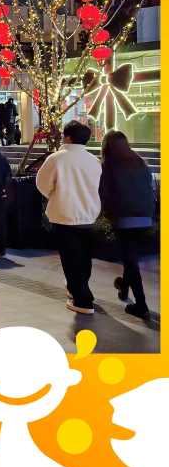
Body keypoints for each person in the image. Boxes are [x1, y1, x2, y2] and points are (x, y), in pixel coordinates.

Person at [36, 120, 101, 315]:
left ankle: (82, 300)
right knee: (84, 257)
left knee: (70, 259)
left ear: (68, 137)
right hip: (89, 215)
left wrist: (55, 195)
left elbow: (42, 183)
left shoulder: (57, 158)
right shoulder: (94, 160)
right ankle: (83, 290)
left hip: (64, 214)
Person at [100, 130, 154, 319]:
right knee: (129, 257)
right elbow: (150, 188)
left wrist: (107, 214)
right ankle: (123, 287)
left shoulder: (109, 165)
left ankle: (141, 305)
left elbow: (104, 193)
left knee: (131, 262)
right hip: (145, 217)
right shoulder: (139, 161)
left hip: (124, 218)